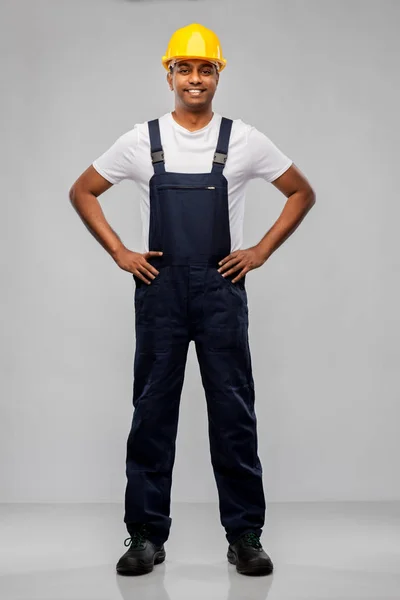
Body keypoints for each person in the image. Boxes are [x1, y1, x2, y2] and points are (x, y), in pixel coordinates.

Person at [69, 23, 316, 577]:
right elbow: (82, 190)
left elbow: (302, 192)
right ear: (170, 74)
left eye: (206, 69)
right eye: (185, 68)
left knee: (233, 414)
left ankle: (245, 534)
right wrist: (119, 252)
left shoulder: (244, 138)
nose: (196, 78)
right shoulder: (141, 139)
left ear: (218, 74)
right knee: (152, 413)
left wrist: (259, 251)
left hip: (220, 290)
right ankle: (145, 536)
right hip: (160, 291)